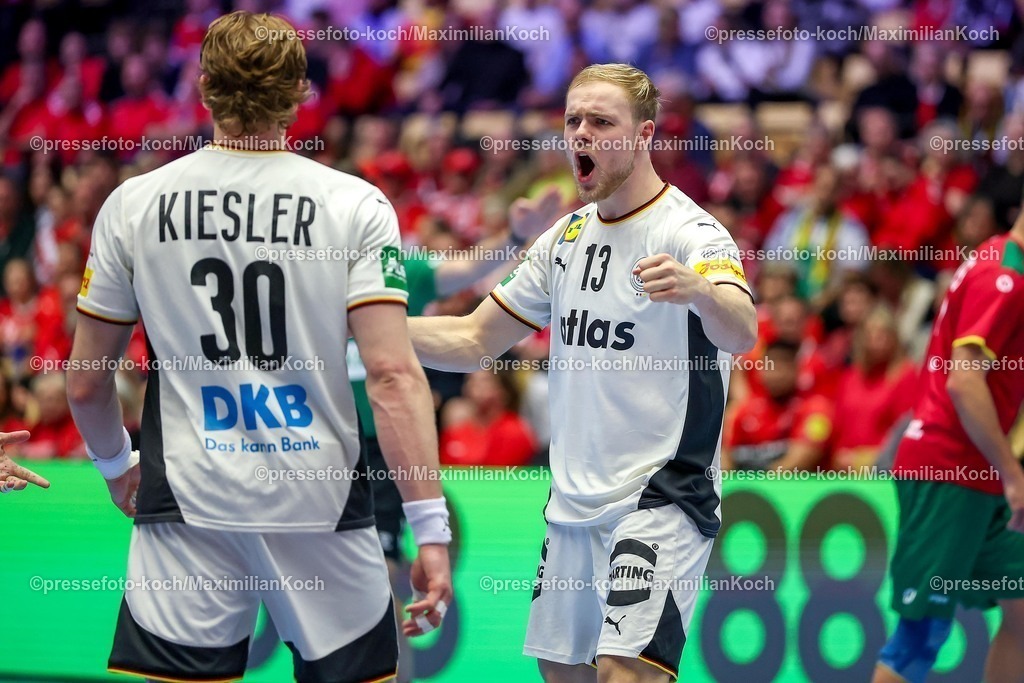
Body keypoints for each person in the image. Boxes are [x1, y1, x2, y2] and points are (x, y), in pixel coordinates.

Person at [65, 11, 451, 683]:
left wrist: (115, 463)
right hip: (321, 500)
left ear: (203, 85)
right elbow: (391, 375)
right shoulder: (355, 205)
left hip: (188, 498)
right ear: (300, 90)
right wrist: (430, 527)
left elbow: (85, 380)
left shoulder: (134, 204)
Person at [409, 64, 757, 683]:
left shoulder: (690, 231)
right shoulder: (564, 239)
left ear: (644, 134)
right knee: (562, 675)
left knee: (623, 672)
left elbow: (742, 330)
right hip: (570, 504)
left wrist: (702, 291)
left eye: (601, 122)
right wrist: (359, 326)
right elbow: (472, 339)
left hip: (661, 496)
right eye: (573, 121)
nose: (581, 135)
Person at [872, 208, 1024, 683]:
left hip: (980, 470)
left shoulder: (995, 256)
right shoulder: (1003, 277)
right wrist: (1013, 474)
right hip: (948, 468)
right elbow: (964, 380)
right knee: (920, 636)